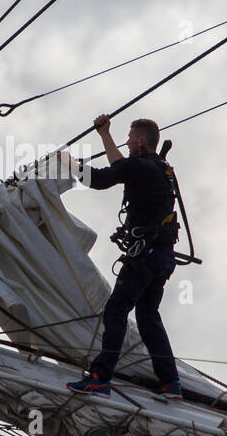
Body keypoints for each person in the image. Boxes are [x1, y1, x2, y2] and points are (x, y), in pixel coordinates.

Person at [67, 115, 183, 400]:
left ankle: (99, 378)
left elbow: (101, 179)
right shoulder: (157, 167)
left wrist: (68, 163)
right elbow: (121, 167)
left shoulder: (140, 166)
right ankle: (171, 384)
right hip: (161, 258)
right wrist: (104, 134)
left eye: (130, 138)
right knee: (147, 316)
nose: (127, 142)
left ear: (141, 141)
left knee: (116, 311)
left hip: (144, 258)